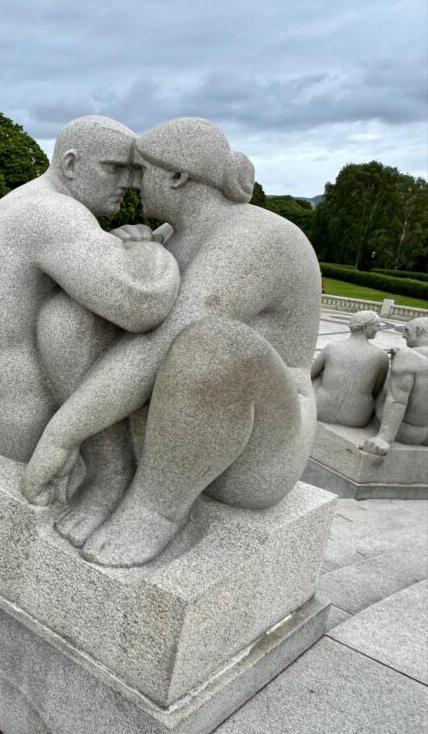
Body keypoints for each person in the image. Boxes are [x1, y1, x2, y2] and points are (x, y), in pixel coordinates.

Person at [23, 117, 321, 567]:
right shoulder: (170, 234)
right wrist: (138, 251)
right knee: (69, 317)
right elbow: (131, 314)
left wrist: (61, 435)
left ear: (178, 176)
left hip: (256, 450)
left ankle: (155, 507)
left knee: (213, 346)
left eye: (141, 172)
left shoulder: (259, 238)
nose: (131, 184)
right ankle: (112, 474)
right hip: (168, 423)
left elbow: (163, 344)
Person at [0, 116, 180, 470]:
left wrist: (114, 242)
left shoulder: (11, 206)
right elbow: (142, 303)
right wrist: (153, 249)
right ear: (70, 164)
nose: (129, 184)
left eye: (133, 171)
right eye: (114, 168)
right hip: (22, 432)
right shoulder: (54, 214)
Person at [310, 311, 390, 427]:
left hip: (321, 410)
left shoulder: (332, 347)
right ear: (365, 327)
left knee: (319, 376)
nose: (378, 329)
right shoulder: (381, 356)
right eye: (377, 326)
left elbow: (310, 374)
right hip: (357, 417)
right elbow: (376, 389)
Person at [362, 317, 428, 454]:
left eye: (407, 331)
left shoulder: (407, 356)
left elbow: (397, 400)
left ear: (419, 331)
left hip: (404, 433)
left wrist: (384, 438)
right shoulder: (414, 357)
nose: (403, 335)